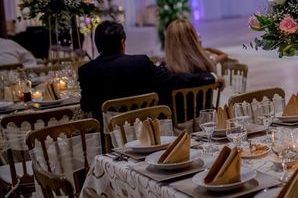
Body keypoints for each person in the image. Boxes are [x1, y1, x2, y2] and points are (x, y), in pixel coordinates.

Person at [78, 21, 217, 125]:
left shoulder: (86, 71)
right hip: (143, 134)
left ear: (97, 45)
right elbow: (174, 80)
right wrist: (210, 77)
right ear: (122, 43)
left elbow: (86, 105)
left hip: (107, 138)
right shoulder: (140, 63)